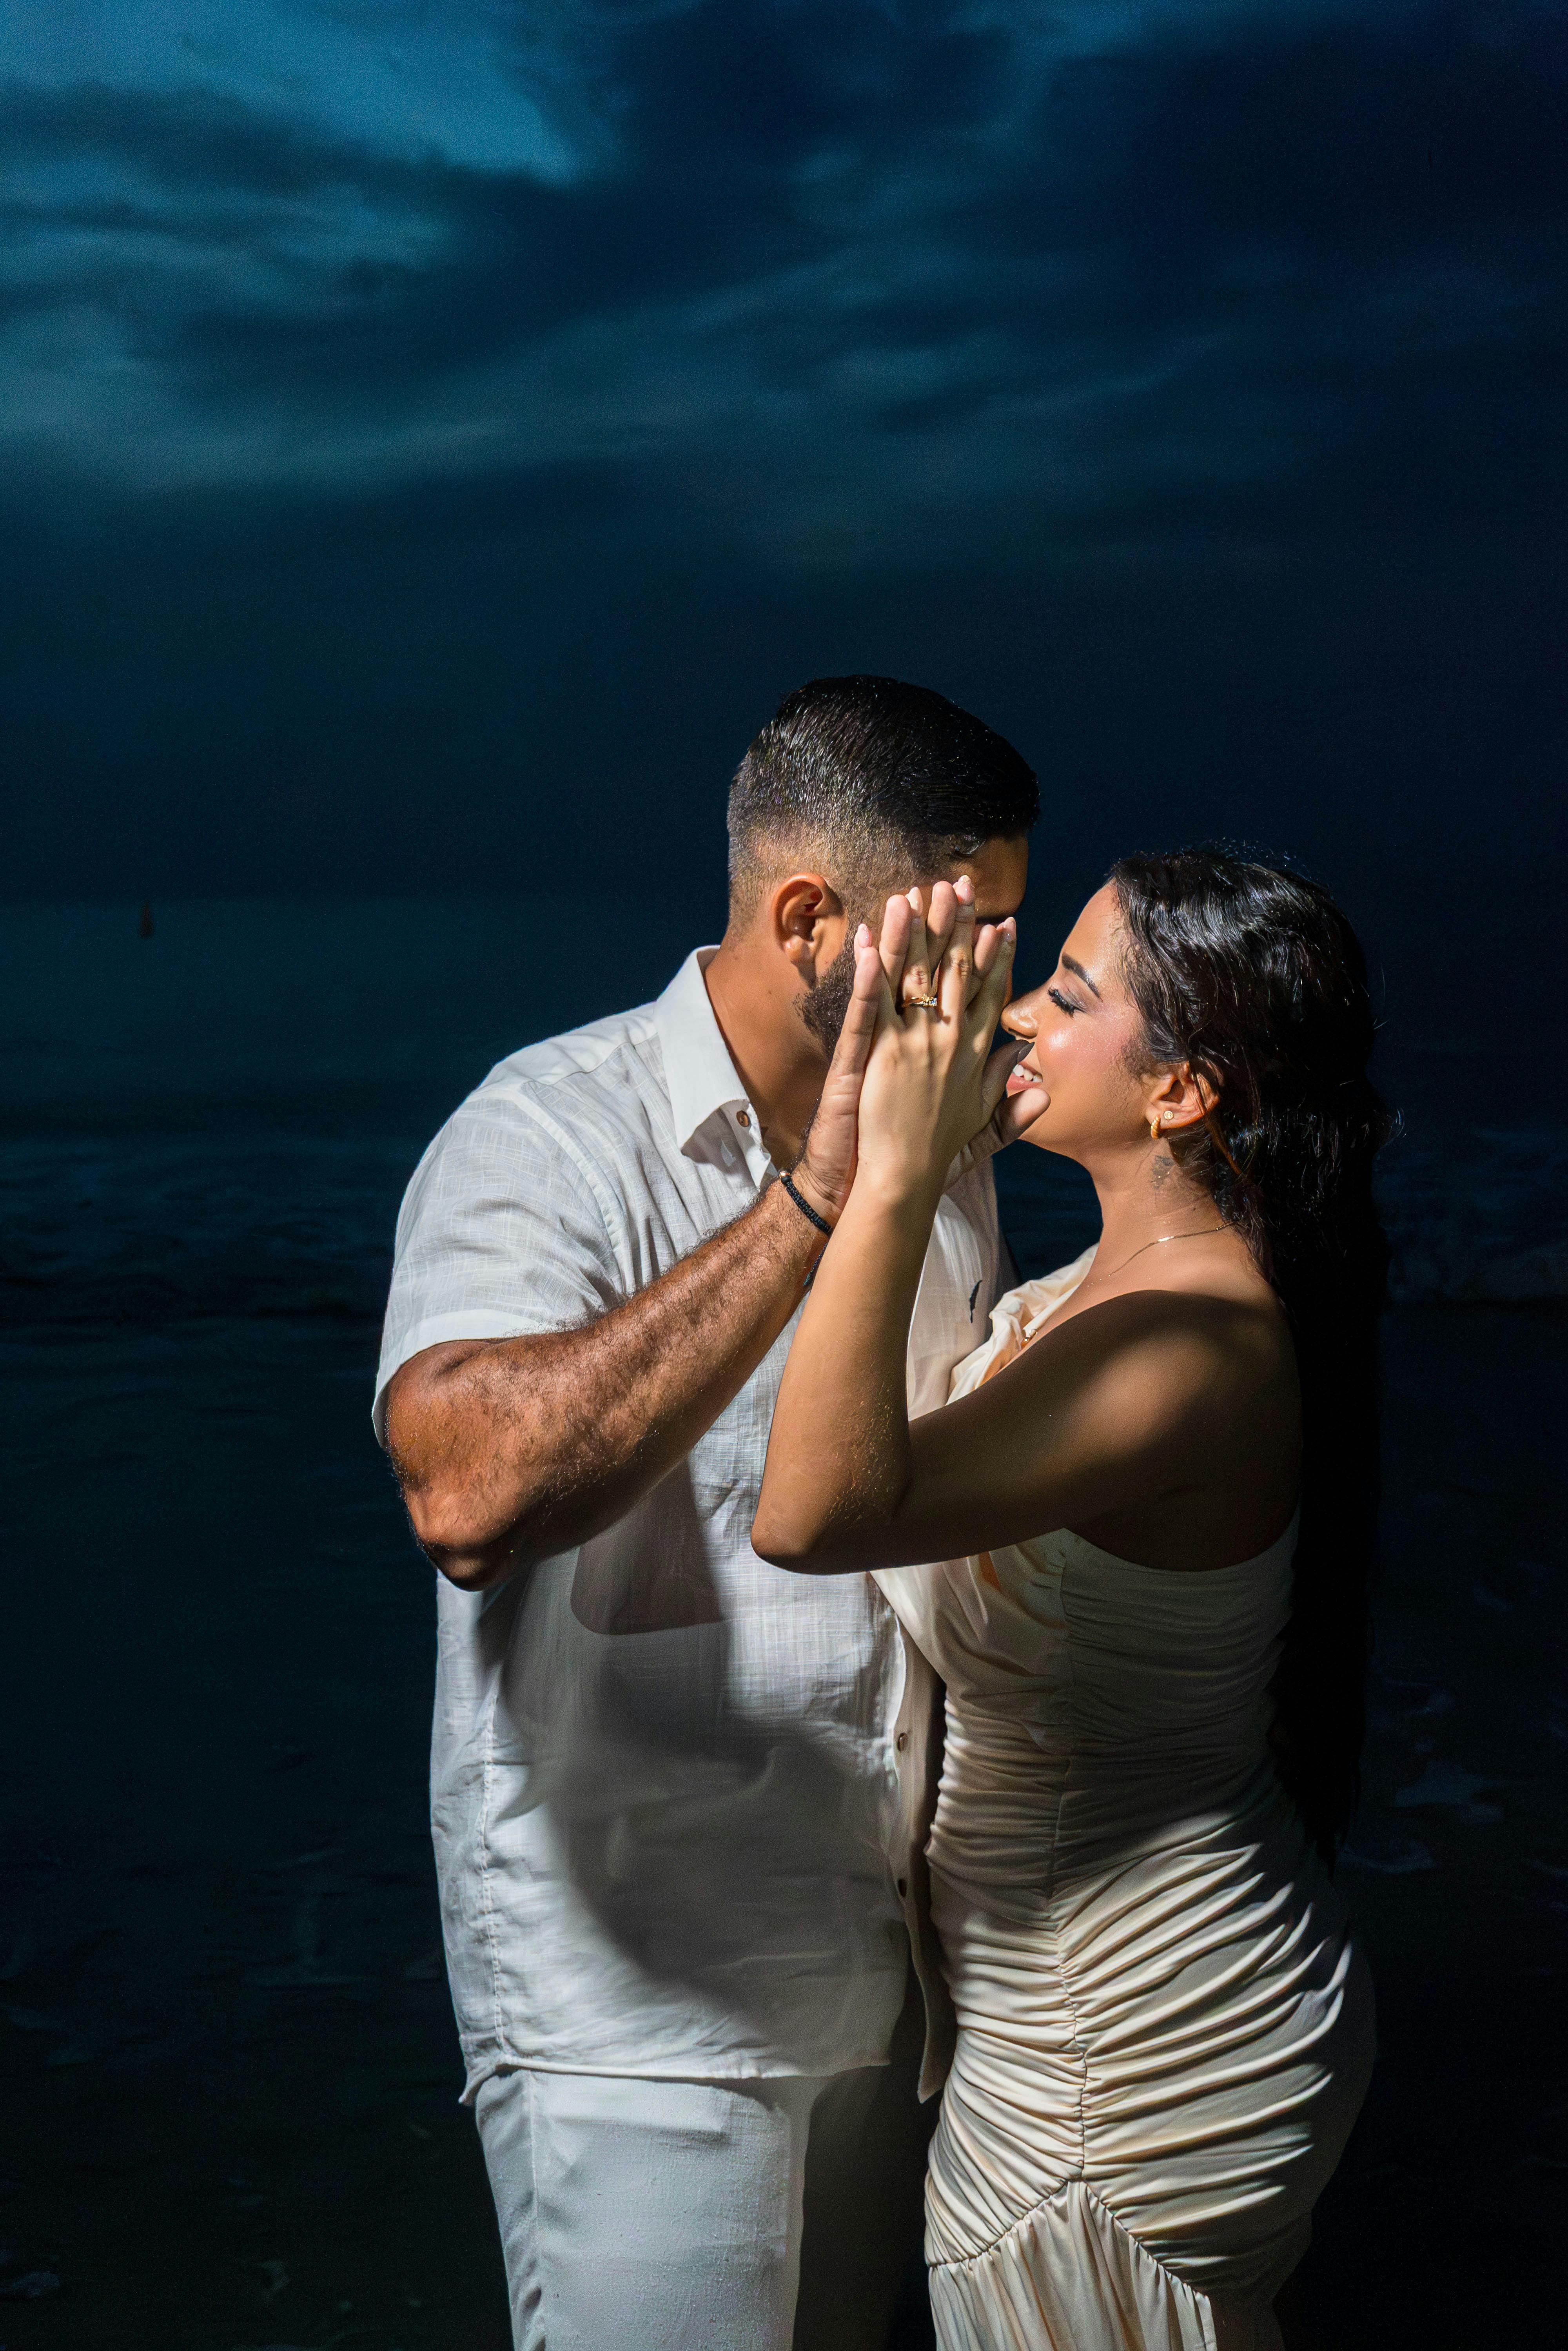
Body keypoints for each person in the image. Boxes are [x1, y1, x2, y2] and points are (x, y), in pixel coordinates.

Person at [374, 676, 1042, 2351]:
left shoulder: (942, 1150)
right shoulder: (548, 1128)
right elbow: (464, 1489)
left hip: (882, 1973)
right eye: (973, 935)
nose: (1000, 993)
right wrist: (817, 1197)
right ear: (812, 917)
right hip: (635, 1998)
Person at [753, 849, 1389, 2351]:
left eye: (1070, 993)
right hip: (1094, 1991)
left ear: (1182, 1095)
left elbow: (815, 1511)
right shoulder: (1108, 1296)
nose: (1021, 1018)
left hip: (1125, 2043)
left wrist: (895, 1169)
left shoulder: (1184, 1352)